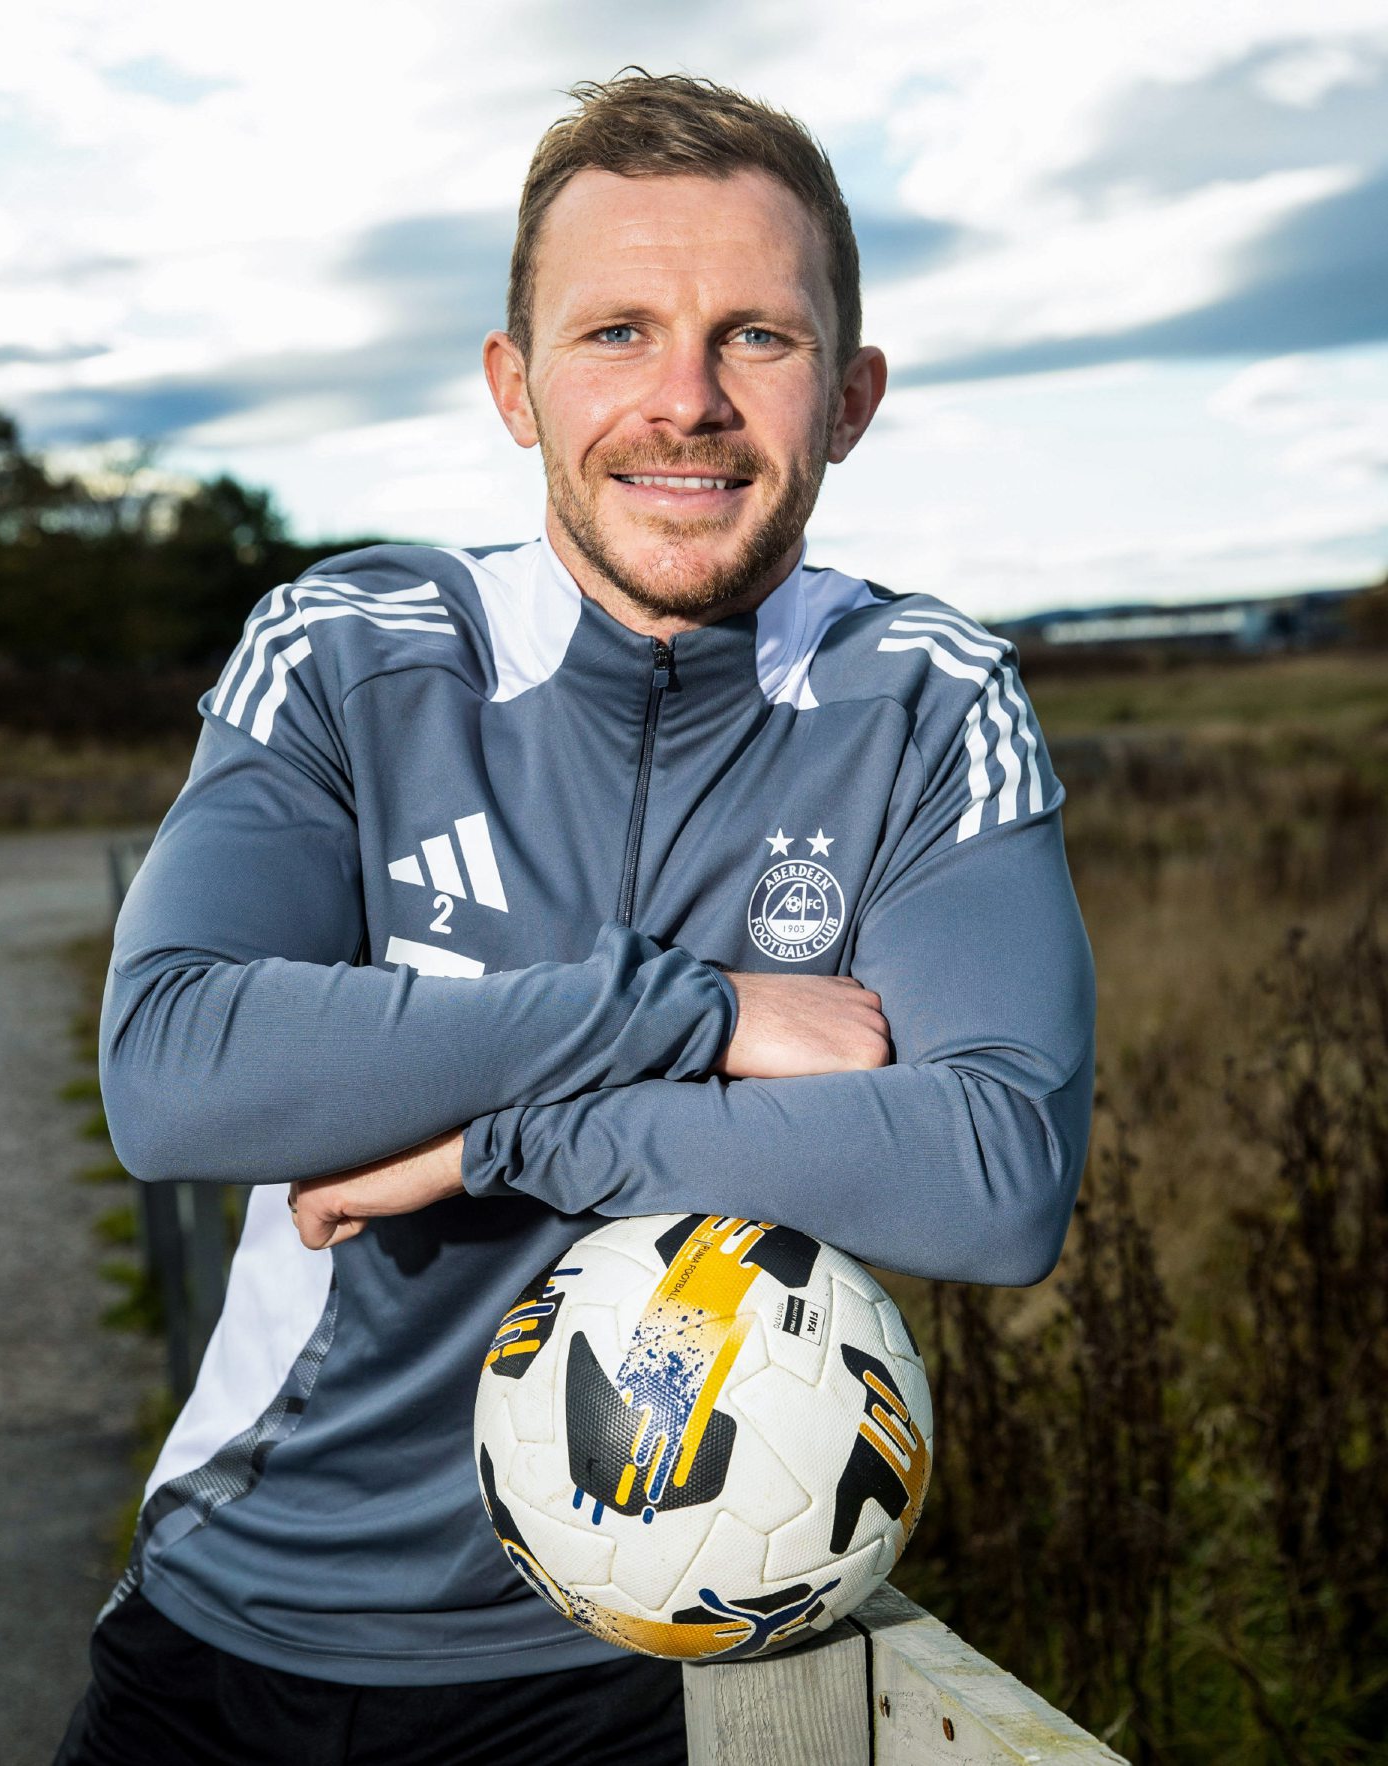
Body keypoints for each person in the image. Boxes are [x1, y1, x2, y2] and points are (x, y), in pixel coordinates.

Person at [56, 69, 1094, 1766]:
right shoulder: (352, 648)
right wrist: (699, 1011)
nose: (683, 400)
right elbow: (174, 1071)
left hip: (656, 1655)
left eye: (754, 336)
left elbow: (995, 1173)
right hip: (239, 1615)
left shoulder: (925, 697)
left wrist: (504, 1137)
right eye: (616, 330)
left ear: (851, 396)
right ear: (513, 386)